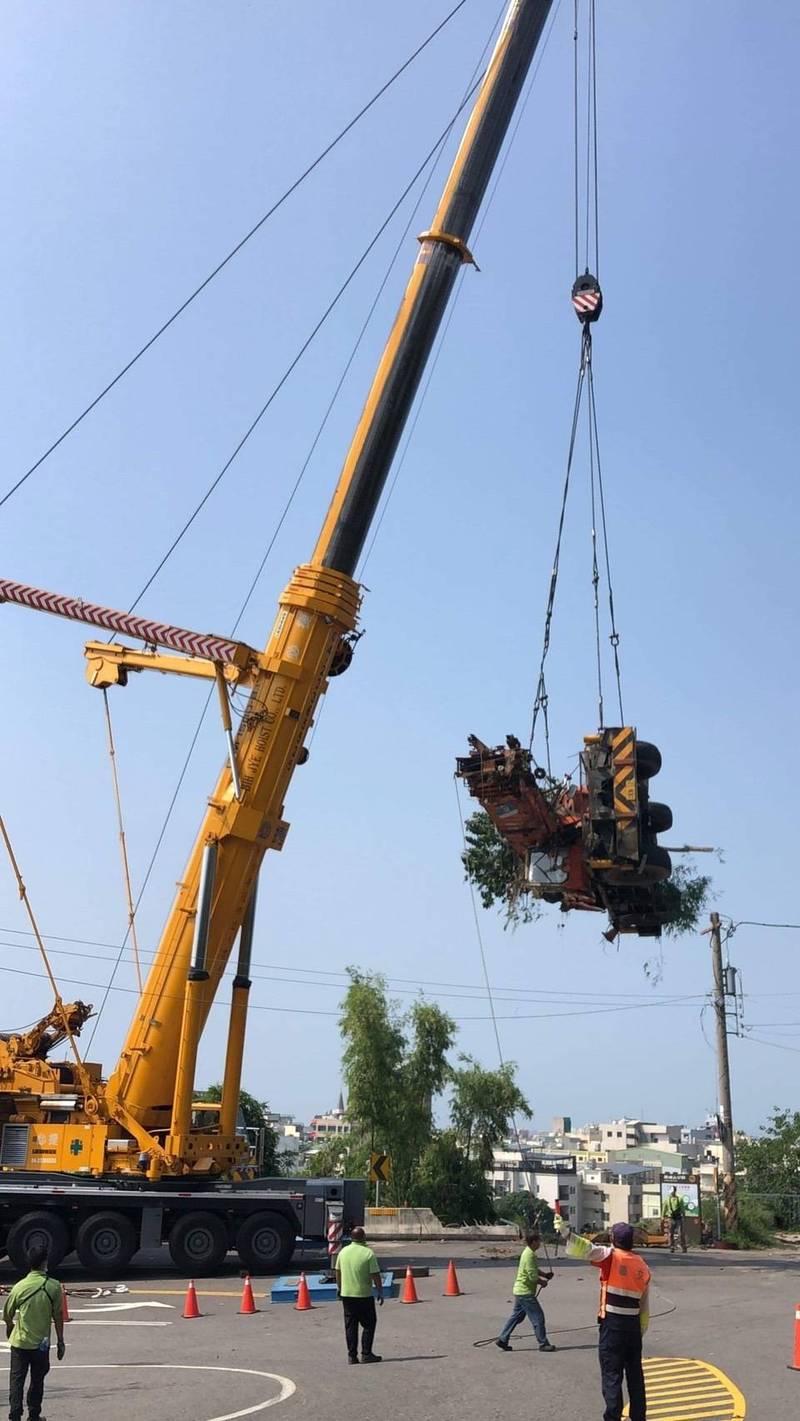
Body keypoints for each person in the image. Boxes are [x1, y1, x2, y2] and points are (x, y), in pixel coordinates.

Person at [555, 1215, 650, 1421]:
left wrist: (565, 1232)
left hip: (613, 1325)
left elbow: (586, 1248)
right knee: (635, 1375)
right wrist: (641, 1328)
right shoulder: (642, 1265)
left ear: (614, 1240)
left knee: (612, 1374)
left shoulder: (611, 1256)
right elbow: (645, 1303)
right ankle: (639, 1417)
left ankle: (613, 1417)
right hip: (633, 1326)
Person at [3, 1242, 66, 1421]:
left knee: (16, 1380)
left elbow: (7, 1313)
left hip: (20, 1343)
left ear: (29, 1263)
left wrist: (10, 1326)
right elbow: (58, 1316)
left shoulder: (19, 1287)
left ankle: (15, 1414)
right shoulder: (53, 1286)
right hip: (41, 1345)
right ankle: (34, 1414)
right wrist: (60, 1341)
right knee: (37, 1380)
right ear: (45, 1263)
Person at [496, 1228, 556, 1353]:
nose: (540, 1243)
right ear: (533, 1242)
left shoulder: (529, 1252)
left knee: (516, 1317)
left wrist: (545, 1275)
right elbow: (532, 1276)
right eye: (538, 1241)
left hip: (520, 1291)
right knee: (538, 1317)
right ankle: (543, 1343)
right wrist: (542, 1282)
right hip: (525, 1292)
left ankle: (502, 1339)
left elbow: (533, 1270)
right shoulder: (529, 1255)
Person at [335, 1226, 383, 1365]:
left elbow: (337, 1272)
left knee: (351, 1326)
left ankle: (352, 1356)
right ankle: (366, 1354)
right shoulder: (368, 1253)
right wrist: (380, 1290)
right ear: (364, 1238)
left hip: (347, 1294)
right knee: (369, 1324)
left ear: (351, 1238)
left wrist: (340, 1288)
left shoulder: (343, 1252)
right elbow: (375, 1274)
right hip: (364, 1295)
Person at [662, 1186, 688, 1254]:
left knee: (681, 1233)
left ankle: (683, 1247)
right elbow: (664, 1208)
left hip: (678, 1217)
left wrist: (684, 1215)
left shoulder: (679, 1199)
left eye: (673, 1191)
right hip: (671, 1217)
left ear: (675, 1191)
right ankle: (672, 1247)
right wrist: (662, 1216)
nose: (672, 1193)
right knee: (671, 1233)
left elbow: (682, 1208)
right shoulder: (667, 1199)